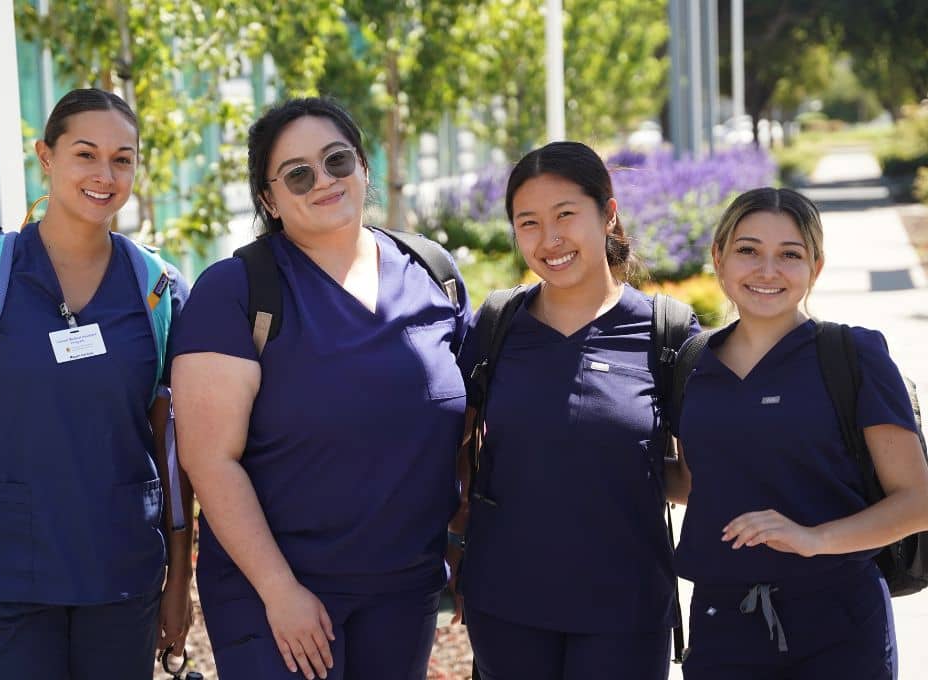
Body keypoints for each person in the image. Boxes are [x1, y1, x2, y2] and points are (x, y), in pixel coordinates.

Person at [169, 97, 470, 680]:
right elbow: (210, 461)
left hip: (405, 590)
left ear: (363, 165)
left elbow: (468, 425)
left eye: (337, 161)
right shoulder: (234, 291)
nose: (324, 181)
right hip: (276, 595)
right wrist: (280, 591)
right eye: (299, 174)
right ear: (269, 199)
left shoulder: (432, 273)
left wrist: (462, 547)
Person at [0, 88, 193, 679]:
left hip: (122, 580)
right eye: (85, 154)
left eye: (123, 158)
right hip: (3, 585)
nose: (104, 174)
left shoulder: (158, 289)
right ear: (46, 156)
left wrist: (180, 580)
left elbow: (173, 452)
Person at [449, 141, 698, 680]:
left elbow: (689, 478)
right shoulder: (495, 327)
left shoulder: (666, 333)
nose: (550, 239)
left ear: (608, 215)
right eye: (529, 222)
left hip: (625, 608)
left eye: (566, 215)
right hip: (507, 605)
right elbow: (457, 450)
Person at [674, 187, 928, 680]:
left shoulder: (853, 356)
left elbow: (918, 500)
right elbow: (693, 481)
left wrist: (815, 538)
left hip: (838, 626)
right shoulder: (691, 364)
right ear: (719, 258)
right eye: (748, 250)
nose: (767, 271)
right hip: (721, 627)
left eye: (789, 255)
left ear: (815, 268)